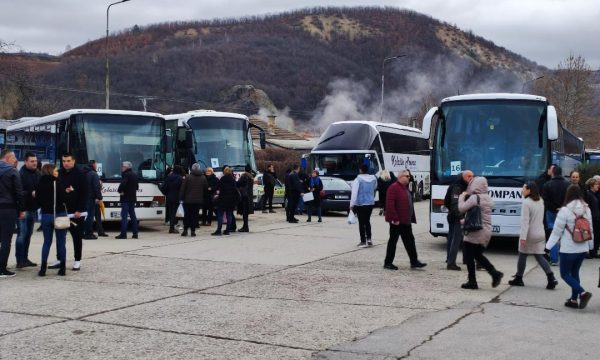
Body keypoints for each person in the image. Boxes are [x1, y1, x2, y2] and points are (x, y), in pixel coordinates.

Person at [546, 185, 594, 309]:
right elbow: (590, 229)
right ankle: (573, 300)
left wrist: (547, 248)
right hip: (582, 248)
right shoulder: (586, 209)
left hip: (569, 248)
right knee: (574, 272)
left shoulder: (564, 211)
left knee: (565, 274)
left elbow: (556, 232)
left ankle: (582, 293)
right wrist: (591, 246)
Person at [508, 182, 558, 289]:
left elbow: (525, 222)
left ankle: (519, 278)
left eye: (524, 188)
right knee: (539, 256)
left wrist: (522, 237)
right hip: (540, 233)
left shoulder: (526, 202)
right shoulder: (540, 200)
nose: (522, 191)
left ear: (529, 190)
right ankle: (551, 278)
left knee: (522, 255)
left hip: (529, 234)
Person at [458, 176, 503, 289]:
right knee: (477, 255)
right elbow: (478, 214)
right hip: (486, 231)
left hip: (476, 231)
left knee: (469, 255)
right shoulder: (487, 197)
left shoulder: (475, 198)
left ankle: (472, 281)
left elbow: (461, 208)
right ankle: (494, 273)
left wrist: (461, 197)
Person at [383, 169, 427, 269]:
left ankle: (414, 261)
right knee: (393, 241)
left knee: (410, 241)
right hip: (397, 221)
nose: (409, 178)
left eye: (409, 176)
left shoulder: (404, 188)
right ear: (400, 177)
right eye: (407, 176)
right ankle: (388, 262)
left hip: (406, 221)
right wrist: (394, 218)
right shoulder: (393, 188)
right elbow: (390, 204)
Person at [36, 164, 68, 276]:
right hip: (58, 214)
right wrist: (67, 192)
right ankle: (62, 268)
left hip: (46, 215)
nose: (57, 171)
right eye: (55, 170)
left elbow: (38, 201)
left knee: (46, 242)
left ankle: (43, 268)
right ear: (50, 171)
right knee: (61, 242)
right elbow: (64, 199)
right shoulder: (57, 182)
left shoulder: (40, 184)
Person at [57, 152, 87, 271]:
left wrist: (79, 210)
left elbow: (85, 193)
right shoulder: (59, 173)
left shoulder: (81, 174)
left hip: (76, 212)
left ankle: (77, 260)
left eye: (68, 161)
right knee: (60, 237)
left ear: (73, 161)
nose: (66, 163)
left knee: (76, 237)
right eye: (64, 161)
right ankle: (60, 259)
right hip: (62, 211)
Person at [0, 149, 25, 278]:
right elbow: (19, 192)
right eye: (14, 158)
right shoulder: (12, 171)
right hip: (8, 209)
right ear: (8, 157)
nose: (15, 160)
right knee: (6, 240)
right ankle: (2, 268)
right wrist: (22, 209)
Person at [444, 170, 474, 271]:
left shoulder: (463, 186)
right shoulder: (457, 187)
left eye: (472, 176)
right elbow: (454, 204)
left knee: (454, 238)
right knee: (455, 240)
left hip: (454, 216)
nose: (471, 178)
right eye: (469, 176)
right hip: (456, 217)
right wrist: (460, 217)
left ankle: (450, 259)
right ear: (463, 177)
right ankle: (451, 263)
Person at [15, 152, 40, 268]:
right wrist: (31, 193)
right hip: (23, 210)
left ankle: (25, 258)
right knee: (22, 235)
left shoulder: (38, 174)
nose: (35, 163)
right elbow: (18, 193)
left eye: (35, 161)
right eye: (32, 161)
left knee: (28, 235)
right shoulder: (20, 174)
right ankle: (20, 260)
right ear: (25, 162)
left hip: (33, 209)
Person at [541, 165, 570, 265]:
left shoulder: (547, 184)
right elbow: (569, 199)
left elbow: (545, 200)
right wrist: (562, 208)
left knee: (553, 235)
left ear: (552, 172)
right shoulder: (568, 184)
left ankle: (554, 259)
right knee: (565, 234)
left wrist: (554, 208)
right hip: (564, 212)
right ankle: (565, 259)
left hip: (551, 213)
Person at [350, 164, 378, 247]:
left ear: (360, 170)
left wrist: (351, 205)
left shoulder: (357, 180)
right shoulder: (373, 178)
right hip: (370, 203)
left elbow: (354, 193)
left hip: (360, 204)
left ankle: (363, 240)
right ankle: (369, 239)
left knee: (361, 223)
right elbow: (374, 188)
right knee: (367, 221)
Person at [179, 163, 207, 237]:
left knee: (187, 215)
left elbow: (183, 189)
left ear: (192, 168)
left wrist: (181, 198)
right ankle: (193, 231)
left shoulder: (187, 177)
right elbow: (205, 189)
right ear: (199, 168)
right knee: (195, 216)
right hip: (198, 201)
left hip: (187, 200)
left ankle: (185, 230)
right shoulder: (203, 177)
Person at [115, 161, 139, 239]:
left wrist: (120, 191)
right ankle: (135, 234)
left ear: (126, 167)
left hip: (125, 198)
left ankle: (123, 234)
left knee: (124, 216)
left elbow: (123, 184)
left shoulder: (126, 175)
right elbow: (137, 187)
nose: (122, 168)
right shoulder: (135, 174)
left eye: (123, 166)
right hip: (132, 198)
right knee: (133, 216)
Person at [212, 166, 239, 236]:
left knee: (220, 215)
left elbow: (217, 187)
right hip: (231, 200)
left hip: (222, 199)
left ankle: (218, 230)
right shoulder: (233, 180)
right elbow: (235, 189)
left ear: (224, 172)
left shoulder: (222, 179)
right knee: (229, 215)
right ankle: (227, 230)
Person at [83, 160, 103, 240]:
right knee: (90, 217)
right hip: (91, 198)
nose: (97, 166)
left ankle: (83, 232)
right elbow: (96, 187)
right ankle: (89, 234)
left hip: (84, 197)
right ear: (93, 165)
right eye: (96, 164)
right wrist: (99, 197)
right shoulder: (94, 174)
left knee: (85, 216)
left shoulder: (84, 173)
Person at [162, 165, 184, 233]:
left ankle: (171, 227)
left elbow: (164, 188)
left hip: (169, 197)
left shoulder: (168, 177)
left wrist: (166, 194)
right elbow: (182, 189)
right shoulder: (180, 178)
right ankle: (172, 228)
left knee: (171, 212)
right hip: (177, 197)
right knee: (175, 213)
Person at [236, 164, 254, 232]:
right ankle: (245, 226)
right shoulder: (251, 176)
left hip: (244, 196)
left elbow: (238, 183)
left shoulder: (244, 175)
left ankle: (245, 227)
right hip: (249, 196)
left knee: (244, 212)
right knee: (246, 212)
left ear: (245, 169)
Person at [585, 177, 600, 258]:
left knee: (596, 235)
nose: (598, 186)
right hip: (593, 218)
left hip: (596, 218)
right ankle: (591, 251)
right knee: (592, 235)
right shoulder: (589, 194)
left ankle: (594, 251)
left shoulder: (595, 194)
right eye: (596, 184)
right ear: (591, 186)